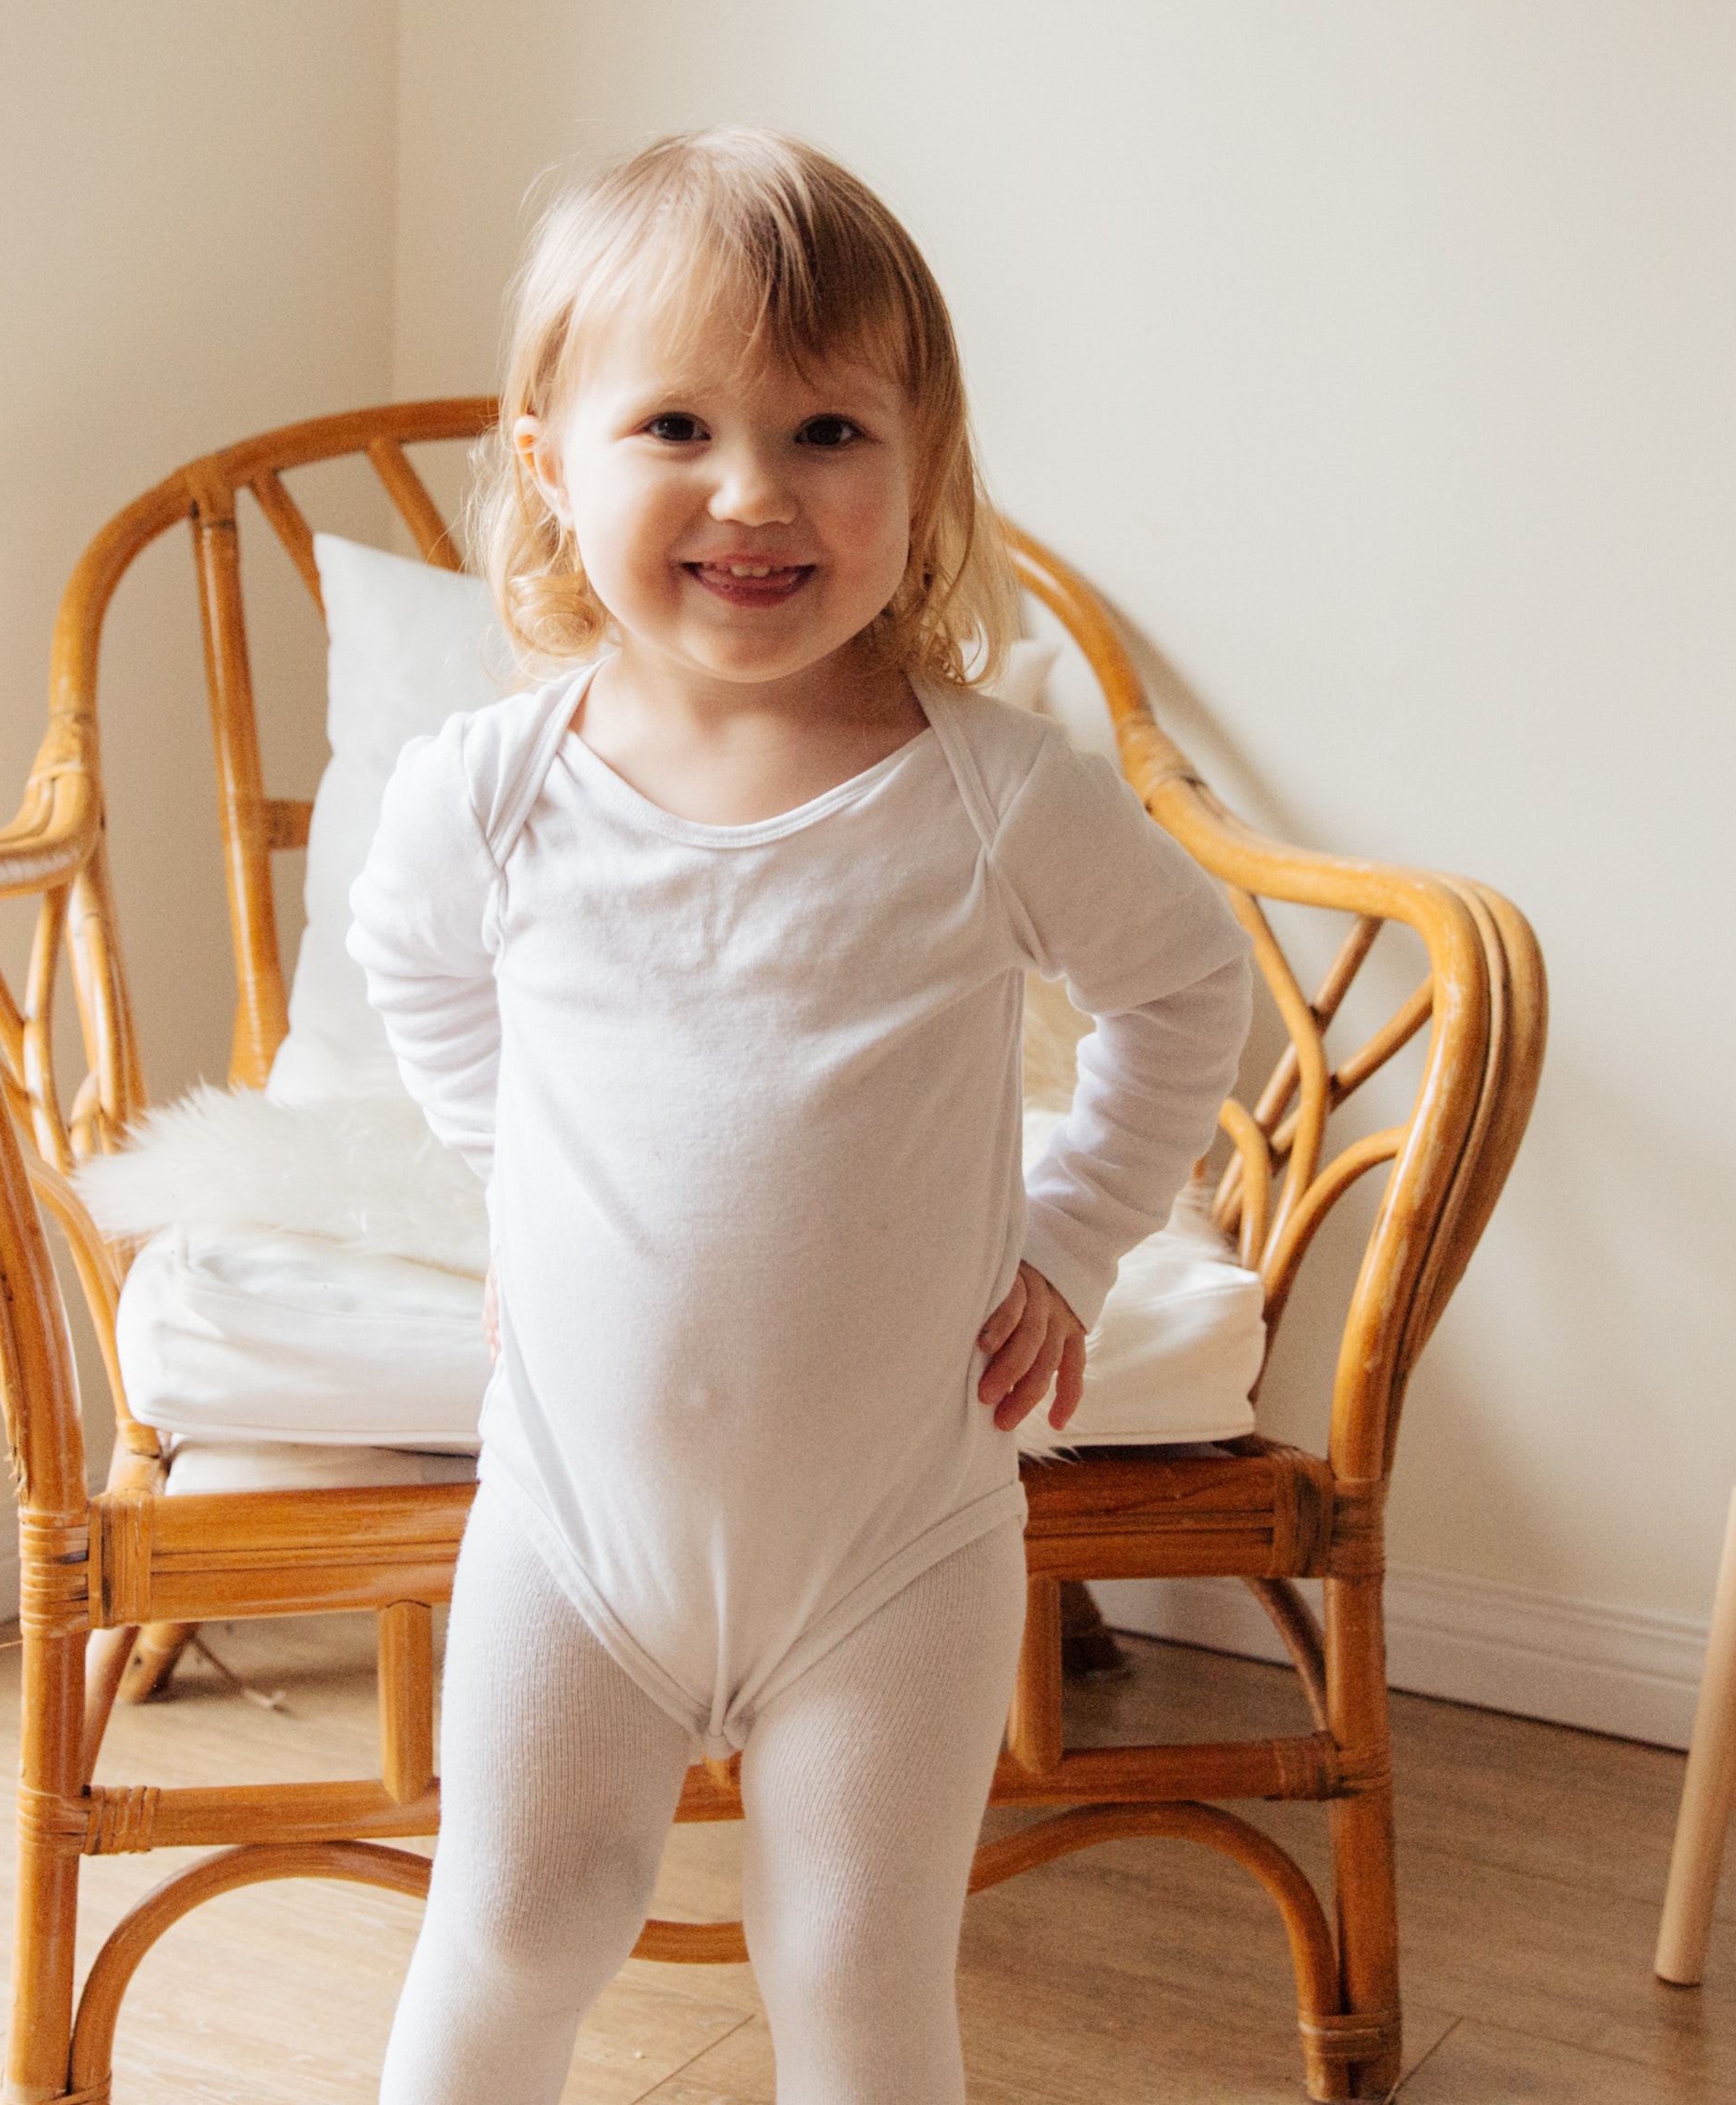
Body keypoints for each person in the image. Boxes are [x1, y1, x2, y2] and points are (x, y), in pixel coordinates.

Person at [352, 127, 1253, 2105]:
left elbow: (1192, 990)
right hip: (576, 1531)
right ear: (547, 466)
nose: (755, 493)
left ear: (919, 472)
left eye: (830, 431)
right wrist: (519, 1184)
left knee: (859, 1979)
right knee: (510, 1935)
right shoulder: (488, 795)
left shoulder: (993, 792)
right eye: (676, 423)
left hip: (897, 1543)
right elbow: (410, 965)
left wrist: (1076, 1236)